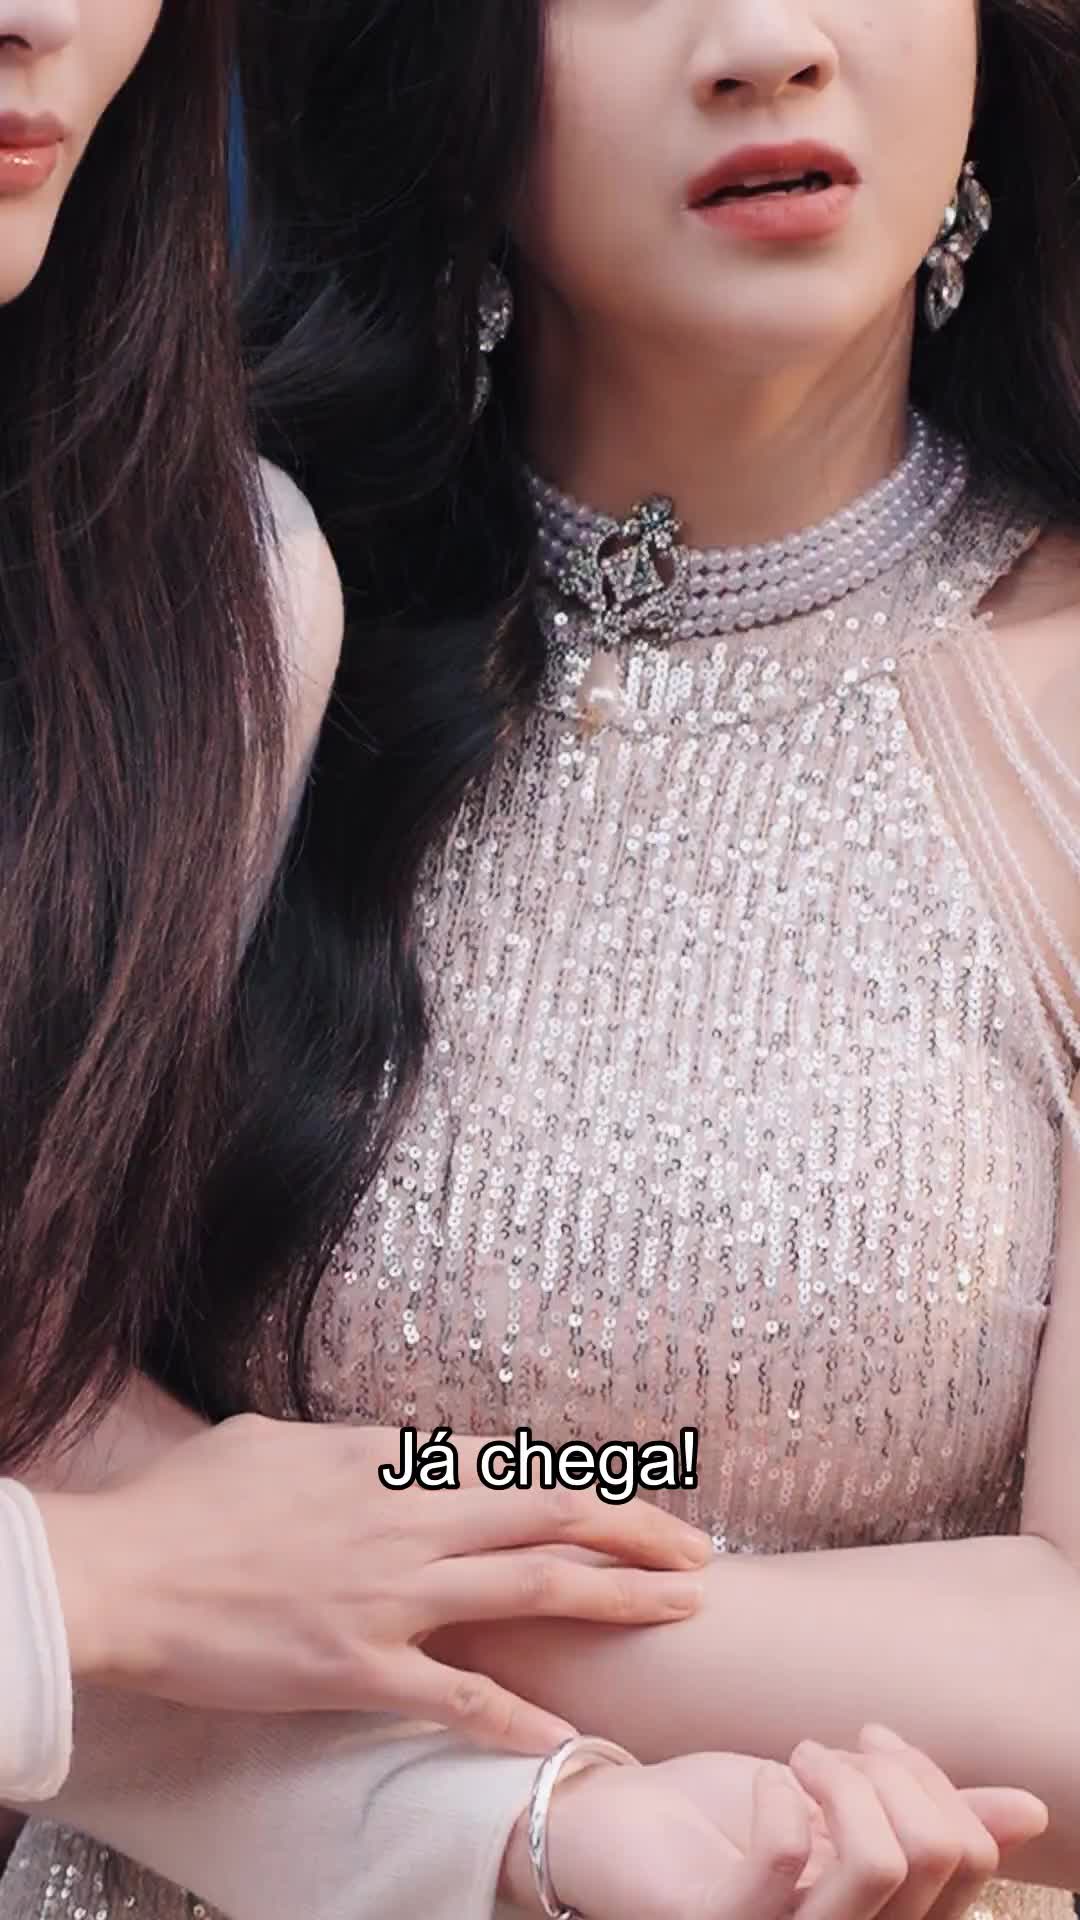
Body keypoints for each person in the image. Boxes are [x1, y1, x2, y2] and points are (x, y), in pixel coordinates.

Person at [1, 0, 1074, 1915]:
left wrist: (311, 1564)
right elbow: (34, 1399)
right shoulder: (208, 606)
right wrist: (160, 1577)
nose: (764, 41)